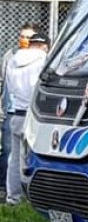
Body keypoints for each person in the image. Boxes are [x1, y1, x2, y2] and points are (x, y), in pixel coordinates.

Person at [4, 30, 48, 204]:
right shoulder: (44, 60)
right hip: (35, 116)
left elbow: (9, 87)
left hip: (17, 113)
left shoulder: (13, 60)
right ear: (44, 46)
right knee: (36, 159)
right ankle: (34, 199)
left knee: (15, 159)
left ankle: (13, 198)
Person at [0, 24, 38, 198]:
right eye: (22, 36)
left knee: (23, 155)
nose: (24, 40)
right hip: (13, 111)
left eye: (28, 37)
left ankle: (19, 195)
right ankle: (8, 190)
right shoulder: (10, 56)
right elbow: (5, 82)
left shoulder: (39, 59)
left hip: (28, 113)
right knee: (11, 154)